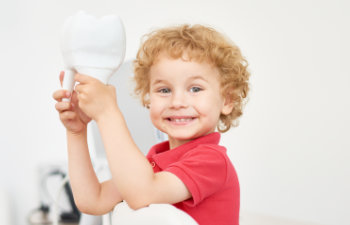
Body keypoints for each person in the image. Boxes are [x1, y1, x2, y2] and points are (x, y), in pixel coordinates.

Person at [53, 24, 250, 225]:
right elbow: (93, 200)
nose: (177, 102)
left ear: (227, 100)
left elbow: (143, 193)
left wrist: (107, 113)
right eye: (164, 90)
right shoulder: (154, 164)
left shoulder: (212, 162)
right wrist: (77, 132)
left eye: (195, 88)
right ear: (148, 97)